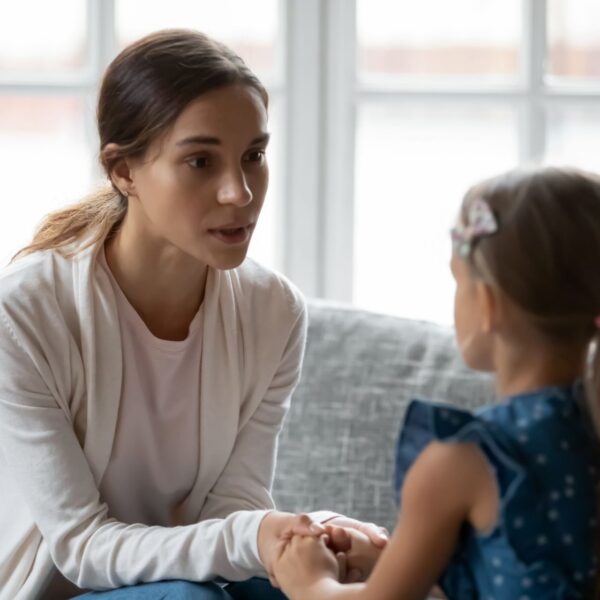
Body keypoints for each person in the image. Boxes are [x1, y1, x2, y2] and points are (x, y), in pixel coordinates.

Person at [0, 29, 387, 600]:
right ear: (123, 170)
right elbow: (80, 546)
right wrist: (257, 536)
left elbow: (233, 510)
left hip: (186, 582)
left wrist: (309, 537)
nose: (239, 193)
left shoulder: (273, 312)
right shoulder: (26, 313)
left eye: (253, 156)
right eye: (200, 161)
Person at [272, 166, 600, 600]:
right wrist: (394, 566)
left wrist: (310, 582)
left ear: (486, 304)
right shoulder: (586, 432)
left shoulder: (464, 457)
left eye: (457, 281)